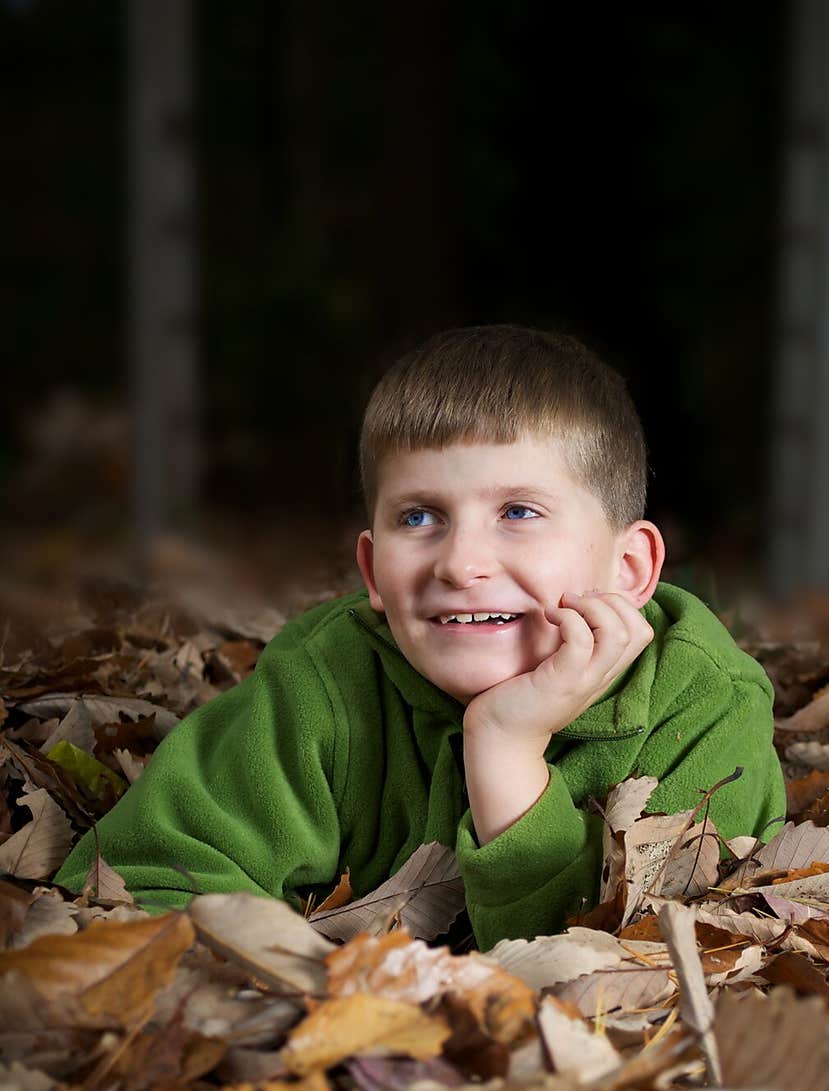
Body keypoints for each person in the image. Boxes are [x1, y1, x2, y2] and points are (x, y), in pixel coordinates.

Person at [55, 324, 785, 950]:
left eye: (520, 511)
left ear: (629, 568)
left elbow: (647, 963)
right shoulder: (327, 676)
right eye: (418, 517)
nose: (461, 563)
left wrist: (503, 744)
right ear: (372, 569)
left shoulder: (703, 706)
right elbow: (140, 880)